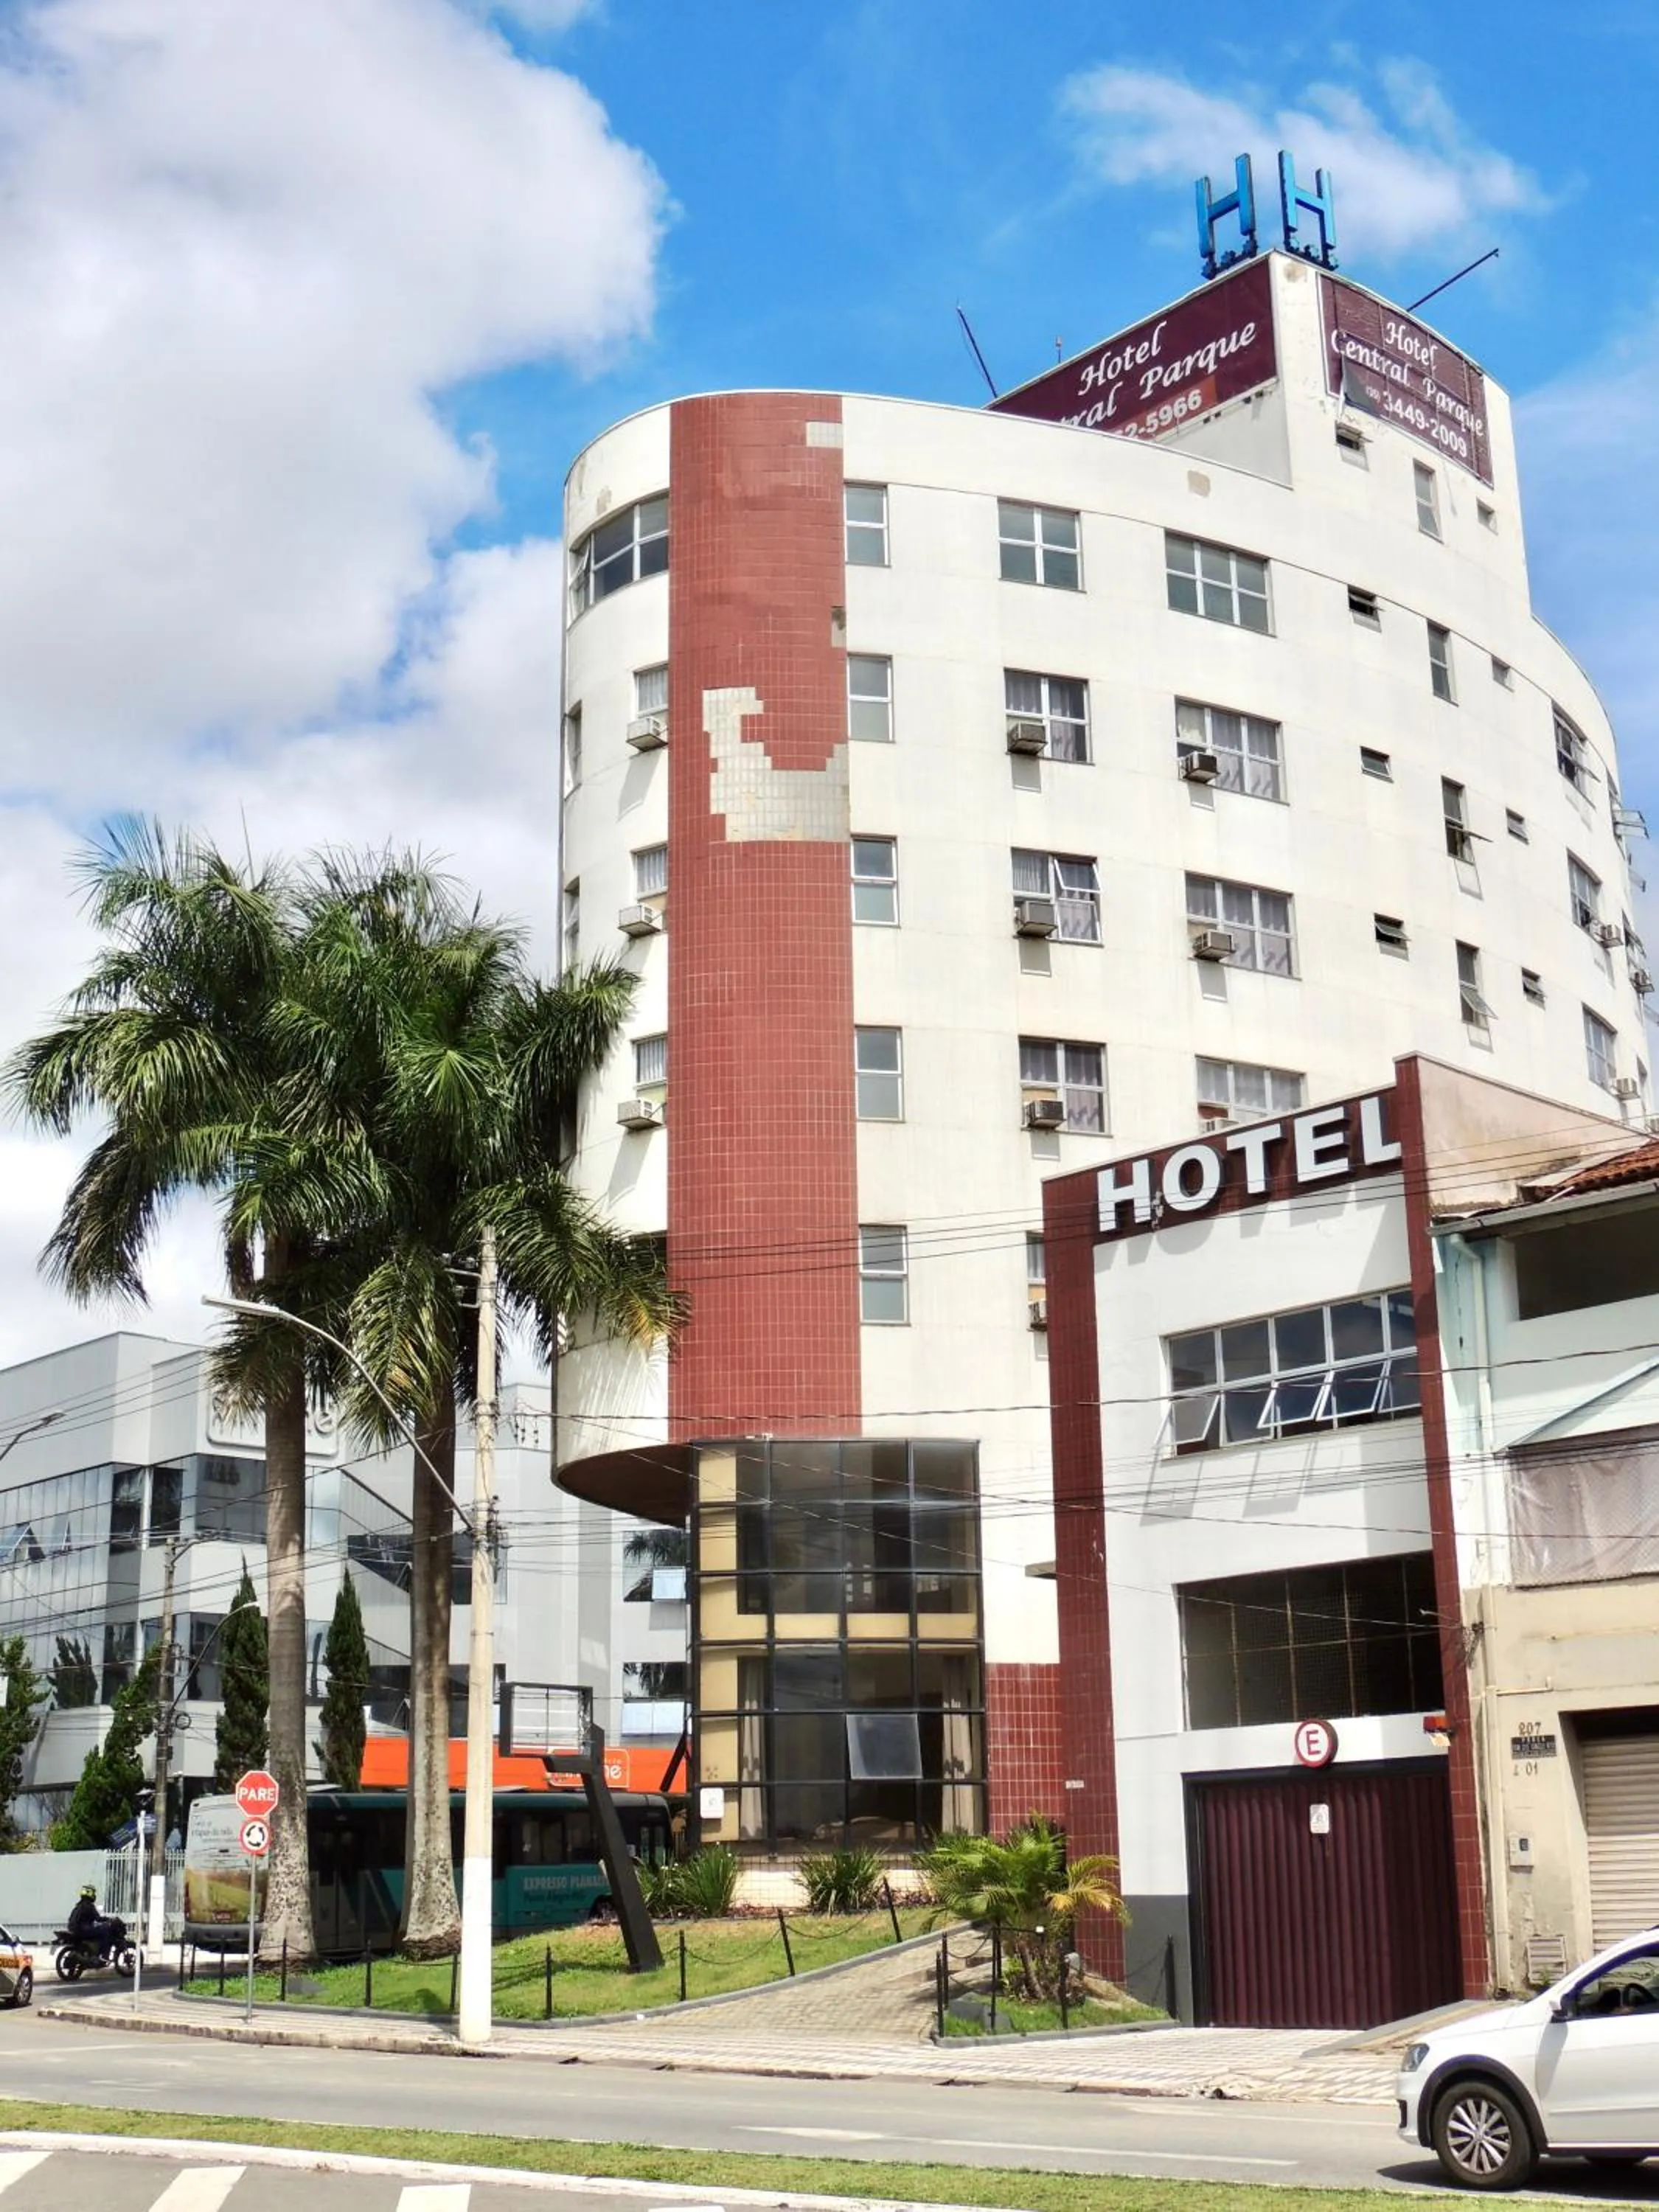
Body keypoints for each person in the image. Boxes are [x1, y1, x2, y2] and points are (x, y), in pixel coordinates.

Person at [66, 1884, 125, 1960]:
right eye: (93, 1893)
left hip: (75, 1929)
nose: (94, 1895)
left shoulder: (79, 1905)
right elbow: (98, 1919)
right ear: (90, 1894)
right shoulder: (89, 1905)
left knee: (99, 1929)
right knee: (106, 1930)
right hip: (83, 1930)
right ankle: (105, 1956)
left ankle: (93, 1951)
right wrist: (109, 1919)